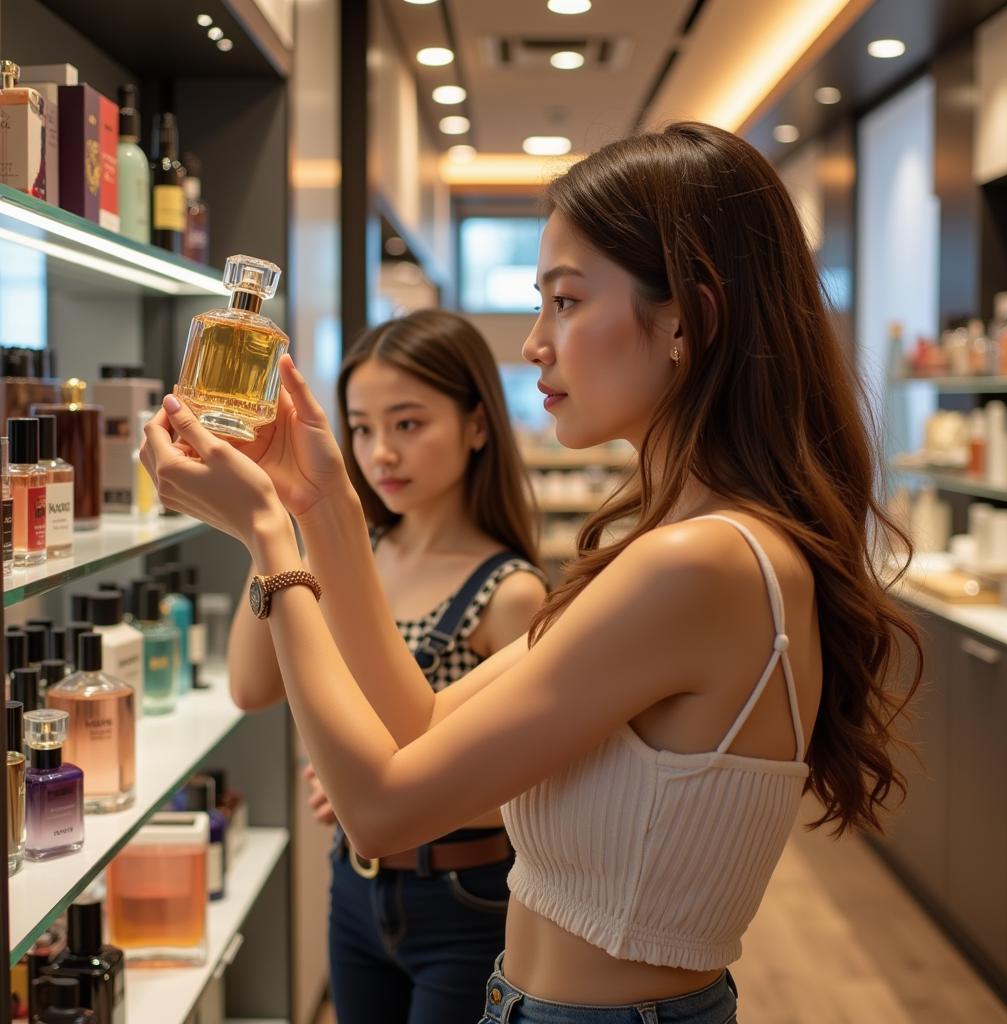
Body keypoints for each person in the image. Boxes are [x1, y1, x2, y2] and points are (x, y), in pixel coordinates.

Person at [143, 121, 921, 1024]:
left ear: (687, 320)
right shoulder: (688, 544)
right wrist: (325, 509)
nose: (534, 345)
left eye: (566, 302)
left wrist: (273, 544)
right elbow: (418, 726)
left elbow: (384, 812)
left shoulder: (700, 562)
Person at [225, 310, 547, 1023]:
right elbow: (251, 687)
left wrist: (374, 794)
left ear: (477, 425)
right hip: (354, 884)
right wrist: (269, 522)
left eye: (408, 424)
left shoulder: (511, 592)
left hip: (469, 896)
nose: (380, 454)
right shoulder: (348, 553)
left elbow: (534, 787)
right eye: (362, 428)